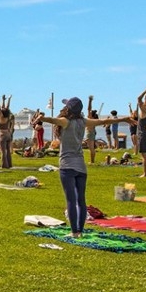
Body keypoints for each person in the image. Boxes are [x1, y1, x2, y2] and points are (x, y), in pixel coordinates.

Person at [32, 98, 117, 238]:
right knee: (81, 201)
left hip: (67, 166)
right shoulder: (83, 122)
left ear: (69, 108)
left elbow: (53, 120)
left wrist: (42, 118)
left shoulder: (66, 121)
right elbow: (102, 121)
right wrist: (124, 119)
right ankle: (80, 231)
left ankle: (74, 232)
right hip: (81, 167)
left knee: (71, 200)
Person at [0, 94, 15, 169]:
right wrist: (9, 99)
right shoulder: (8, 117)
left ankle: (4, 165)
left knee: (3, 151)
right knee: (8, 151)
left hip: (2, 135)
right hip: (8, 134)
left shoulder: (2, 118)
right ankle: (9, 164)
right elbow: (7, 108)